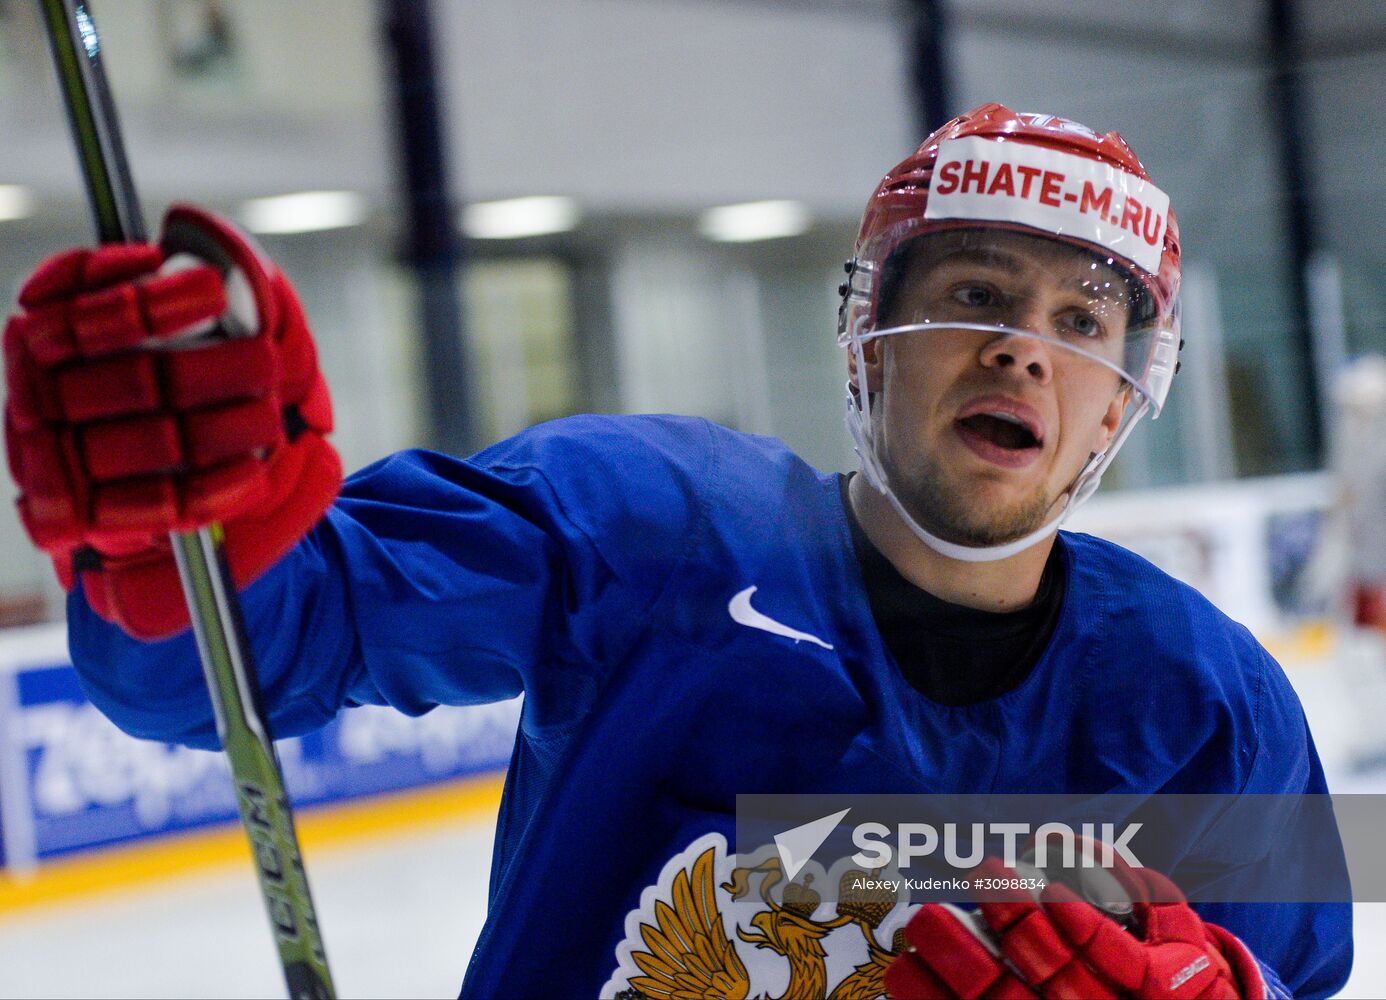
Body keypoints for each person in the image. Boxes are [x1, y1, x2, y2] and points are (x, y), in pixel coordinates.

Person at [3, 104, 1350, 998]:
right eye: (975, 295)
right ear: (863, 337)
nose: (1020, 346)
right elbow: (230, 666)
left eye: (1079, 321)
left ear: (1123, 400)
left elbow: (1287, 972)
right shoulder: (647, 526)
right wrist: (177, 546)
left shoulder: (1208, 704)